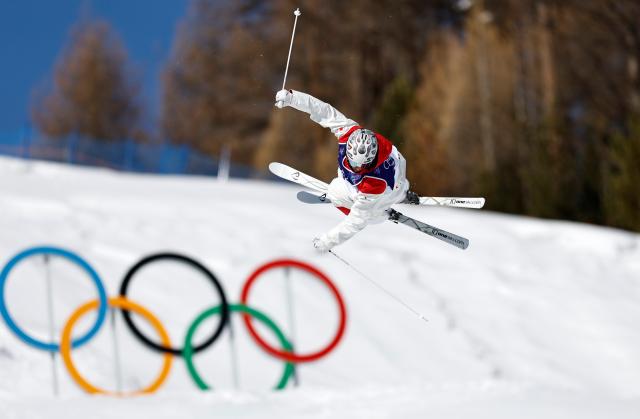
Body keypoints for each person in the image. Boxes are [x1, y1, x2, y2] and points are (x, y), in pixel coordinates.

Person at [275, 88, 419, 253]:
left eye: (361, 166)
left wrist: (327, 242)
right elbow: (322, 110)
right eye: (353, 163)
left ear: (371, 159)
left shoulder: (375, 183)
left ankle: (383, 212)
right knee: (370, 188)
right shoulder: (348, 131)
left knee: (345, 199)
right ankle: (402, 193)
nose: (356, 168)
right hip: (395, 171)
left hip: (385, 188)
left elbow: (356, 221)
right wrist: (292, 98)